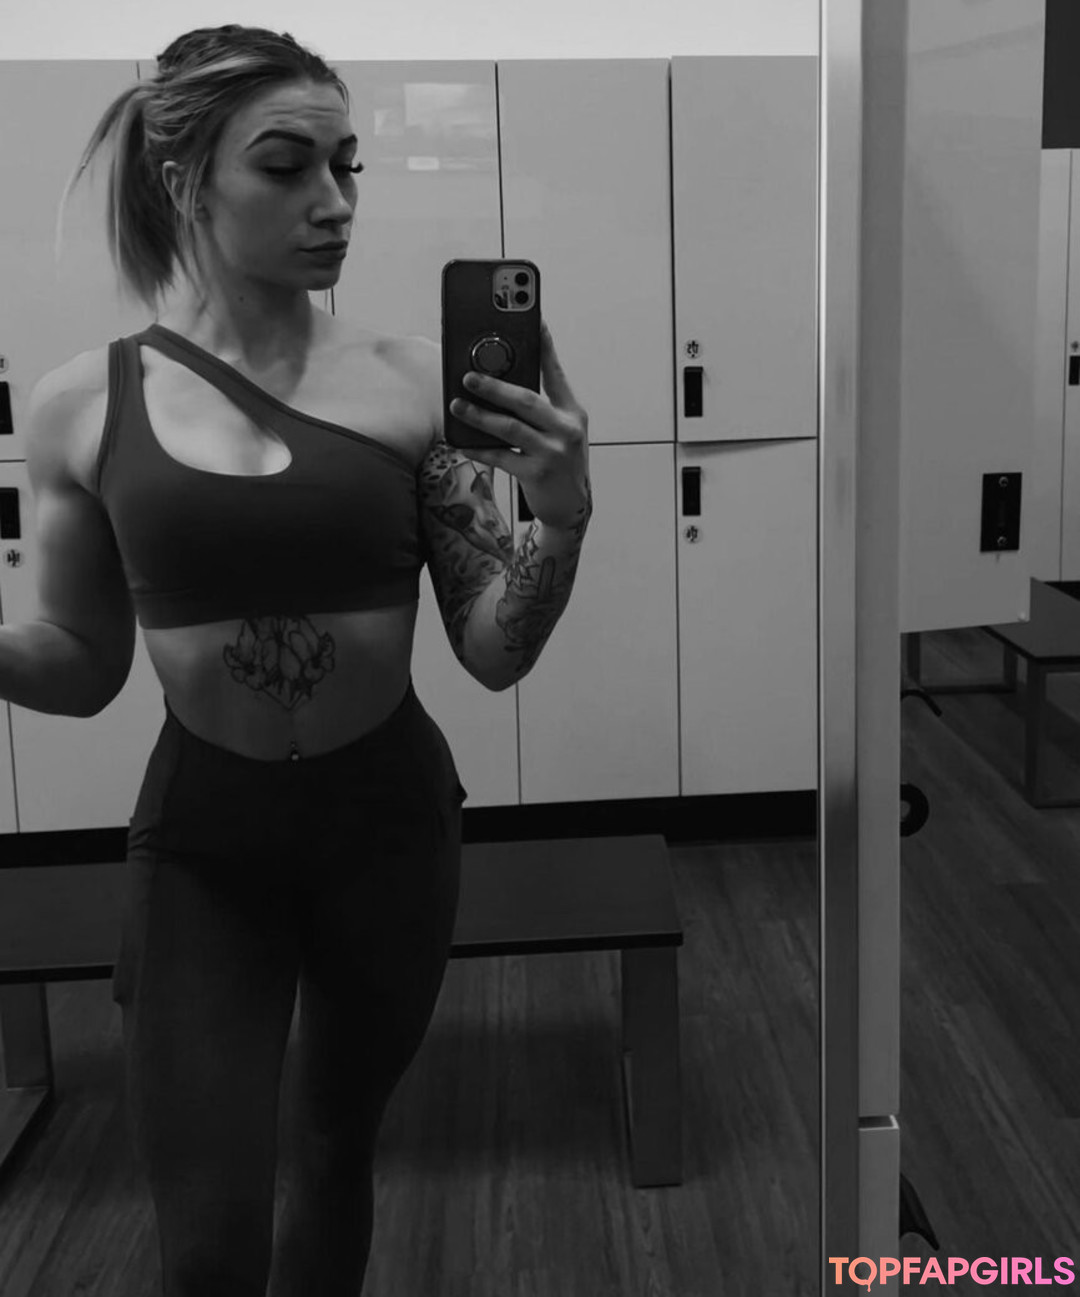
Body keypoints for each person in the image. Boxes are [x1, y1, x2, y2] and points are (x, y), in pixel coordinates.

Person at [9, 23, 592, 1297]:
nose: (335, 202)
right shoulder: (82, 404)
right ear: (185, 181)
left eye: (346, 165)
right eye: (287, 166)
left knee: (334, 1149)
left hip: (388, 826)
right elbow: (80, 662)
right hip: (206, 842)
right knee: (207, 1226)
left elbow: (491, 651)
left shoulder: (411, 384)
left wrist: (563, 516)